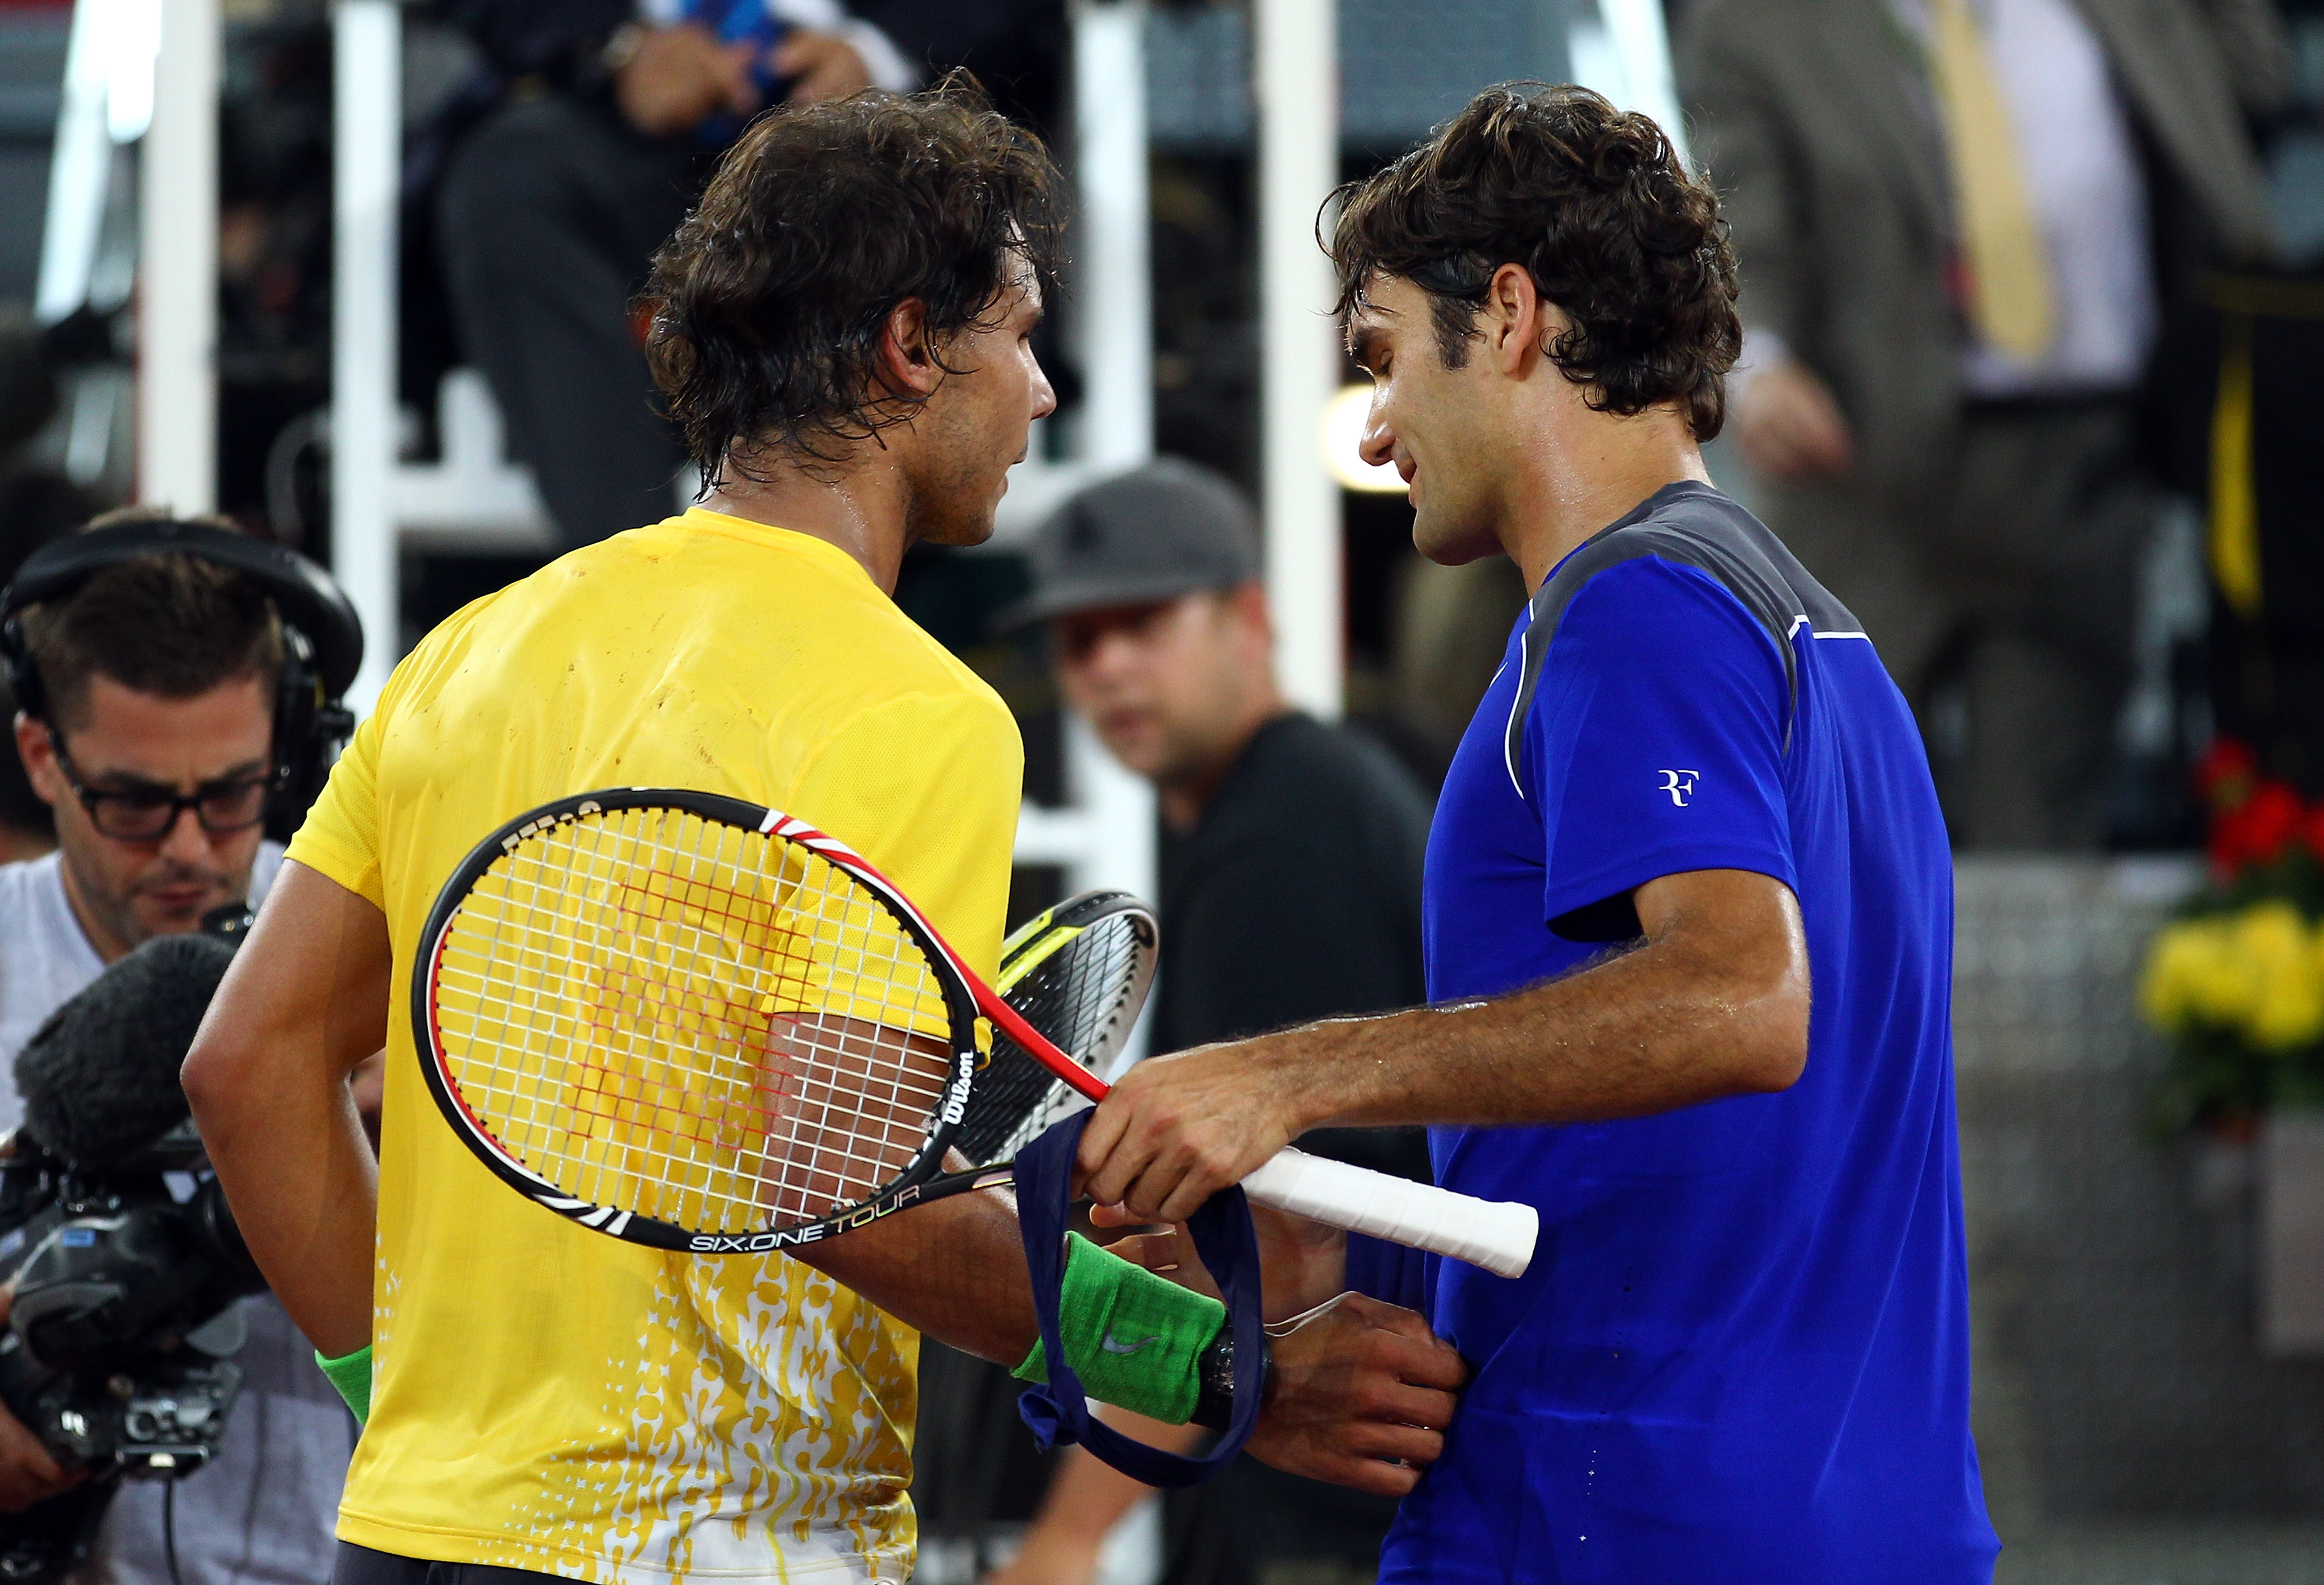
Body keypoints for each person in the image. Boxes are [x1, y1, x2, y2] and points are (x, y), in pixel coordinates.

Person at [182, 84, 1463, 1585]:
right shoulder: (911, 705)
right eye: (1023, 334)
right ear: (912, 348)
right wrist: (1221, 1363)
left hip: (411, 1538)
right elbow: (841, 1194)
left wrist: (392, 1405)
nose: (1044, 392)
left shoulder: (474, 647)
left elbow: (247, 1063)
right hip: (713, 1553)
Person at [1074, 84, 2000, 1580]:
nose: (1375, 431)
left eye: (1380, 360)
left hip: (1623, 1520)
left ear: (1508, 317)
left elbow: (1736, 1002)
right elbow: (1716, 1149)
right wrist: (1327, 1265)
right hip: (1856, 1520)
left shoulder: (1629, 608)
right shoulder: (1828, 646)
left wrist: (1284, 1077)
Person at [1680, 0, 2287, 849]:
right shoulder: (1757, 21)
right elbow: (1740, 201)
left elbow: (2259, 80)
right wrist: (1759, 366)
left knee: (2042, 833)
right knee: (1842, 829)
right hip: (1864, 469)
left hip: (2086, 462)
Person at [983, 461, 1435, 1585]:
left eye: (1143, 620)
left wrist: (1070, 1534)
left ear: (1248, 618)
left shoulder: (1285, 836)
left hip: (1342, 1511)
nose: (1111, 666)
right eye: (1080, 639)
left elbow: (1268, 1243)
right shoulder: (1292, 803)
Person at [0, 511, 355, 1585]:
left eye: (234, 792)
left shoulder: (378, 957)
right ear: (41, 757)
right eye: (136, 803)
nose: (194, 849)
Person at [429, 0, 1064, 547]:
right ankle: (648, 601)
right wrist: (618, 46)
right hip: (617, 128)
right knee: (510, 184)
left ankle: (804, 607)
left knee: (930, 217)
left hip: (885, 128)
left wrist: (878, 54)